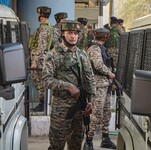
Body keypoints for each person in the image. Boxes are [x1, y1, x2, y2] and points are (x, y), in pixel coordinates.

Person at [42, 20, 96, 150]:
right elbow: (46, 79)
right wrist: (67, 86)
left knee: (76, 144)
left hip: (81, 107)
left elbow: (90, 79)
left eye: (76, 33)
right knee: (57, 144)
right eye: (69, 33)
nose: (73, 36)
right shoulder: (53, 54)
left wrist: (91, 101)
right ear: (62, 34)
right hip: (62, 109)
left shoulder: (82, 54)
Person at [86, 28, 116, 150]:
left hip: (105, 84)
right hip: (98, 86)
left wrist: (111, 80)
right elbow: (98, 65)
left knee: (106, 113)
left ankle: (105, 138)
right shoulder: (94, 48)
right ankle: (88, 140)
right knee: (97, 114)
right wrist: (109, 74)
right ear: (106, 37)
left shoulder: (101, 48)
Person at [29, 6, 53, 112]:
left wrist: (34, 61)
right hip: (43, 59)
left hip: (40, 61)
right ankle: (43, 103)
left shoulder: (44, 28)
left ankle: (42, 104)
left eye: (38, 13)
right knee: (40, 83)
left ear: (42, 14)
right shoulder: (48, 27)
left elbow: (41, 47)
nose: (37, 15)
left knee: (40, 83)